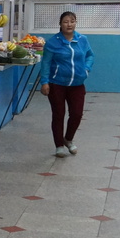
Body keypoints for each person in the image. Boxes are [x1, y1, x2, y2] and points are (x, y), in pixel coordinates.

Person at [39, 11, 94, 157]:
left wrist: (86, 69)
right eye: (65, 22)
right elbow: (46, 63)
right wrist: (44, 82)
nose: (69, 24)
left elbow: (90, 55)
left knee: (77, 114)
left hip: (77, 84)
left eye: (72, 21)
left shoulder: (82, 39)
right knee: (58, 114)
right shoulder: (52, 42)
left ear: (75, 23)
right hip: (57, 84)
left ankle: (68, 139)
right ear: (60, 24)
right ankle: (59, 145)